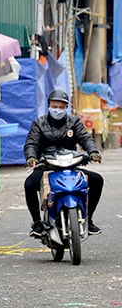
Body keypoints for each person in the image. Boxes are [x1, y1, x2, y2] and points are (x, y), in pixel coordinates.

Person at [23, 89, 103, 236]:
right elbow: (31, 144)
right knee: (29, 184)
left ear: (66, 107)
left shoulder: (74, 122)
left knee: (97, 180)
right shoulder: (39, 123)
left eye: (61, 107)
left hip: (70, 165)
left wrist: (93, 151)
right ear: (48, 106)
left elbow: (85, 138)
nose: (57, 110)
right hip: (46, 166)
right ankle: (37, 223)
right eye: (54, 107)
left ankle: (88, 219)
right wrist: (31, 157)